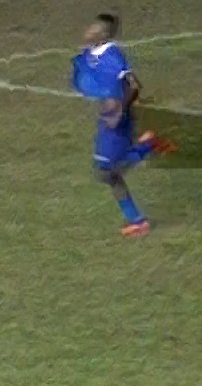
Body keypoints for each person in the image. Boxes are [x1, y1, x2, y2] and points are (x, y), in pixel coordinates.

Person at [72, 13, 176, 236]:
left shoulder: (112, 56)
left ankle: (149, 145)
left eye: (93, 27)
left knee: (107, 171)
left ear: (102, 33)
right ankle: (138, 220)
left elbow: (134, 85)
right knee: (107, 172)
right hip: (107, 118)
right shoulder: (91, 54)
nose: (88, 29)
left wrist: (121, 109)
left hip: (117, 120)